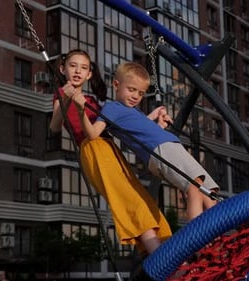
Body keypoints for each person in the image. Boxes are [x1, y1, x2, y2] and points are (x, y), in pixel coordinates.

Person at [49, 49, 171, 256]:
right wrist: (66, 100)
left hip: (111, 149)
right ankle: (163, 259)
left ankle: (164, 249)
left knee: (141, 197)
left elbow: (116, 127)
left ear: (89, 74)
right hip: (93, 150)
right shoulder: (62, 94)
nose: (78, 71)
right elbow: (54, 126)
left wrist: (152, 119)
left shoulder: (91, 100)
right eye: (73, 66)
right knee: (129, 200)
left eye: (84, 67)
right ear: (63, 69)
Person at [72, 62, 218, 221]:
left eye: (141, 93)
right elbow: (93, 134)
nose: (136, 96)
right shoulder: (112, 108)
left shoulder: (133, 110)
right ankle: (199, 237)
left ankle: (220, 235)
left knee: (210, 191)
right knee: (194, 186)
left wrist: (157, 118)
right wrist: (81, 110)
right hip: (161, 149)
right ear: (116, 85)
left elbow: (140, 129)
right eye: (131, 90)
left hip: (170, 145)